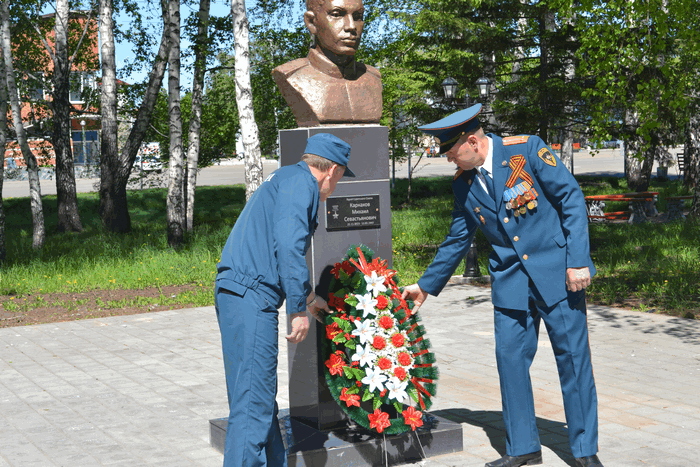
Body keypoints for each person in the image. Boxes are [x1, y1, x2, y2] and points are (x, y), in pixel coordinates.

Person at [401, 104, 603, 467]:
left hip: (558, 275)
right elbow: (457, 239)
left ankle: (585, 451)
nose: (449, 161)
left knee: (573, 362)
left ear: (473, 142)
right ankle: (523, 446)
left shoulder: (526, 150)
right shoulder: (464, 185)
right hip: (511, 282)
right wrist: (426, 286)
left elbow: (571, 199)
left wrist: (578, 261)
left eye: (451, 153)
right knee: (510, 361)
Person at [215, 133, 355, 466]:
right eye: (339, 178)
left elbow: (275, 246)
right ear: (332, 170)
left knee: (257, 399)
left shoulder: (288, 178)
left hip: (241, 293)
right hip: (251, 297)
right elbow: (289, 247)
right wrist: (297, 311)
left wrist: (306, 297)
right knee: (253, 406)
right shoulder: (302, 185)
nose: (336, 186)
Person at [272, 0, 382, 127]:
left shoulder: (372, 77)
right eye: (336, 15)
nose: (351, 26)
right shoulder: (291, 75)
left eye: (357, 17)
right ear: (312, 22)